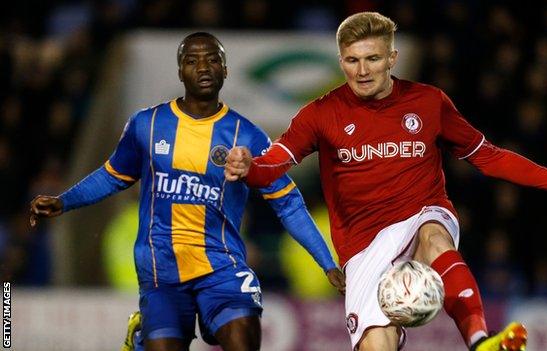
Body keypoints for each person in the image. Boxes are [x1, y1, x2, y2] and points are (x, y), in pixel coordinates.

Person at [224, 12, 547, 351]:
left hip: (421, 211)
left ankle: (481, 341)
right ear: (341, 60)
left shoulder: (429, 102)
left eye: (373, 59)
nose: (362, 71)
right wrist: (250, 167)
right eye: (353, 61)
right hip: (363, 248)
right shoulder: (321, 114)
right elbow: (277, 161)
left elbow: (488, 157)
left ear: (392, 58)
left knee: (433, 234)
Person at [30, 32, 345, 351]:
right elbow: (113, 176)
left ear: (225, 70)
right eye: (192, 61)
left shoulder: (246, 135)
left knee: (244, 340)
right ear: (180, 71)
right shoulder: (147, 125)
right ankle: (143, 336)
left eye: (212, 60)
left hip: (222, 267)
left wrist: (327, 262)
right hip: (162, 269)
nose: (203, 68)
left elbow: (288, 203)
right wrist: (64, 201)